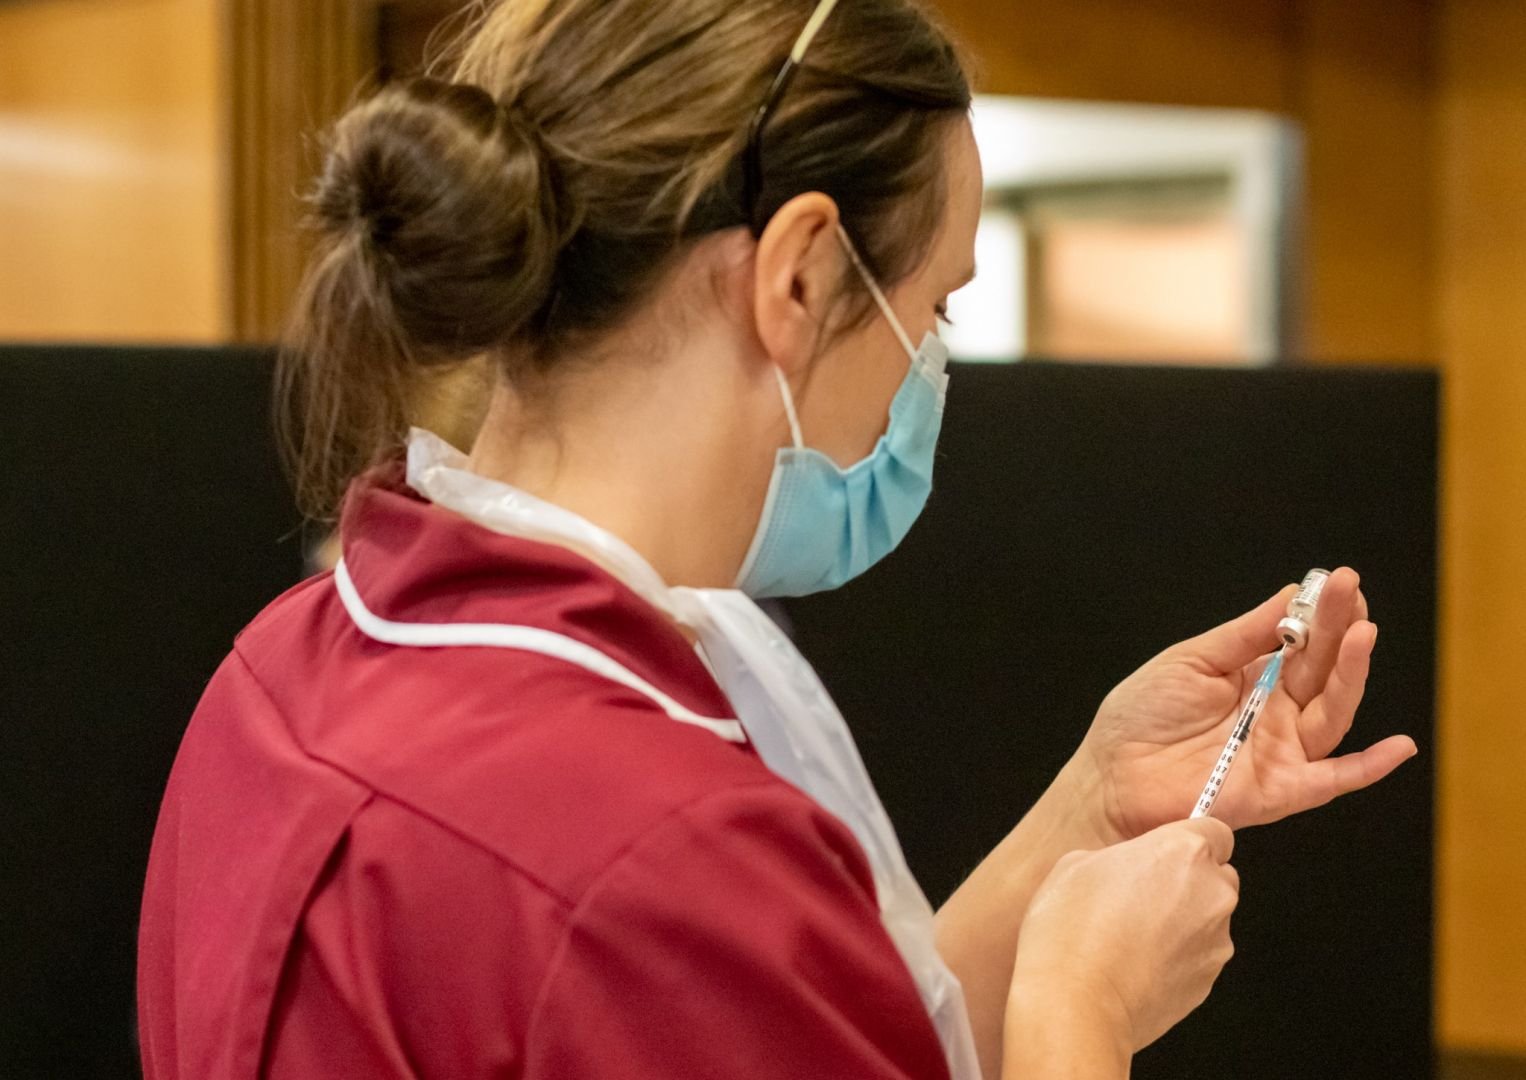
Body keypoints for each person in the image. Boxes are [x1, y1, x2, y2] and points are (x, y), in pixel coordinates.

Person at [136, 1, 1419, 1077]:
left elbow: (828, 1033)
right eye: (937, 306)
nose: (929, 369)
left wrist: (1091, 806)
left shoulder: (277, 674)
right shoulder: (655, 854)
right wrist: (1079, 1016)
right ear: (799, 276)